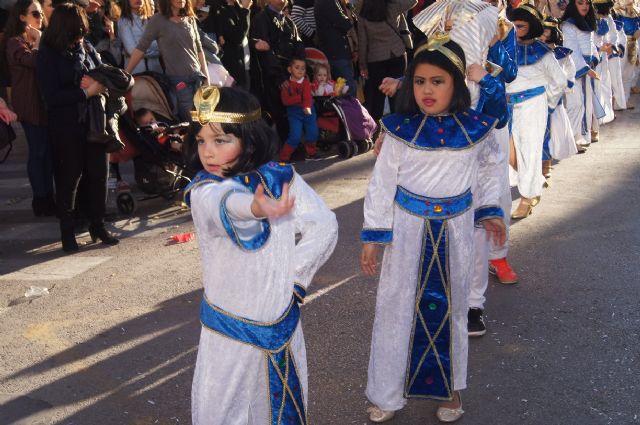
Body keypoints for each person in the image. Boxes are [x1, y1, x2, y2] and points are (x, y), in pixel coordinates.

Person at [360, 34, 506, 424]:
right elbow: (382, 183)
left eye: (438, 81)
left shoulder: (477, 128)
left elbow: (491, 166)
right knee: (396, 309)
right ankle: (387, 395)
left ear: (456, 85)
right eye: (420, 81)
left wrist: (490, 210)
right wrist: (375, 235)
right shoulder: (399, 130)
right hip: (407, 234)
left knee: (452, 310)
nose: (427, 89)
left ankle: (451, 389)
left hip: (456, 234)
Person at [184, 85, 338, 425]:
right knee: (222, 415)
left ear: (249, 138)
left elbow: (324, 224)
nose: (208, 151)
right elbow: (222, 205)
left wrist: (295, 280)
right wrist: (253, 207)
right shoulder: (203, 191)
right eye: (201, 140)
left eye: (220, 140)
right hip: (228, 338)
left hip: (282, 326)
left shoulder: (281, 177)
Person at [37, 2, 118, 252]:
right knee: (69, 178)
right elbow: (50, 96)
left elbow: (103, 72)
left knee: (99, 175)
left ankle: (98, 224)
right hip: (66, 125)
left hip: (94, 121)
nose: (81, 36)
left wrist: (99, 85)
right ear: (67, 29)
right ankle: (67, 232)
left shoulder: (85, 46)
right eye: (78, 31)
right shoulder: (48, 53)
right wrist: (85, 92)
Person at [507, 3, 565, 219]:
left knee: (530, 152)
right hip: (507, 106)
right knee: (510, 153)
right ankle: (535, 181)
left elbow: (559, 81)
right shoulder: (506, 48)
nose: (515, 29)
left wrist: (547, 104)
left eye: (520, 26)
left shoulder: (544, 53)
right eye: (513, 25)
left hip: (533, 106)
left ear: (531, 26)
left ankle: (527, 198)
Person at [2, 0, 55, 216]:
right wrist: (40, 41)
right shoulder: (15, 41)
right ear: (22, 17)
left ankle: (48, 198)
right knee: (38, 152)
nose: (40, 17)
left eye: (41, 13)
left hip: (45, 103)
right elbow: (34, 61)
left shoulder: (38, 38)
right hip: (29, 104)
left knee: (48, 153)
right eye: (35, 13)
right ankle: (41, 201)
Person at [125, 0, 209, 121]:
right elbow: (141, 48)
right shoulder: (158, 20)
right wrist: (125, 74)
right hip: (180, 83)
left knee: (204, 122)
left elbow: (199, 49)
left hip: (198, 79)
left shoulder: (189, 18)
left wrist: (207, 79)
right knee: (193, 123)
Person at [357, 0, 416, 123]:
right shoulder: (392, 7)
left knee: (378, 95)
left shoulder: (362, 15)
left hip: (375, 58)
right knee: (397, 93)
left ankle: (377, 128)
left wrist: (362, 65)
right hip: (397, 54)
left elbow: (363, 42)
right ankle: (399, 125)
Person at [561, 0, 600, 148]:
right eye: (580, 3)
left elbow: (591, 46)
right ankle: (570, 141)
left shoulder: (586, 22)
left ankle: (580, 137)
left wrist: (594, 60)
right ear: (573, 5)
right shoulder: (568, 25)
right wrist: (585, 69)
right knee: (574, 104)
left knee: (584, 105)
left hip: (585, 70)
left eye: (587, 3)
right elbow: (571, 50)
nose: (585, 6)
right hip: (573, 71)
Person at [315, 0, 357, 97]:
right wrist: (348, 20)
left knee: (342, 88)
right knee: (348, 88)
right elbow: (345, 23)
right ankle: (349, 111)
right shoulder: (327, 2)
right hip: (336, 53)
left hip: (335, 51)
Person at [279, 57, 318, 161]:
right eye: (297, 68)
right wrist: (299, 98)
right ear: (289, 70)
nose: (300, 70)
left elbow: (307, 96)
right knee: (295, 136)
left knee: (313, 133)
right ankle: (284, 157)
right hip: (294, 113)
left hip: (308, 110)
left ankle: (311, 153)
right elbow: (285, 101)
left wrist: (306, 106)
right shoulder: (286, 85)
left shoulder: (305, 82)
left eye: (303, 68)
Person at [212, 0, 251, 89]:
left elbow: (246, 36)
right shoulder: (219, 9)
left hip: (244, 66)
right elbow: (237, 37)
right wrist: (245, 10)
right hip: (231, 71)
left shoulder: (238, 7)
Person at [117, 0, 162, 74]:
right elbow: (132, 51)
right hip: (137, 73)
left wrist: (139, 48)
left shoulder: (152, 20)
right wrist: (155, 49)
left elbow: (162, 47)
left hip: (157, 71)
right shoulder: (124, 21)